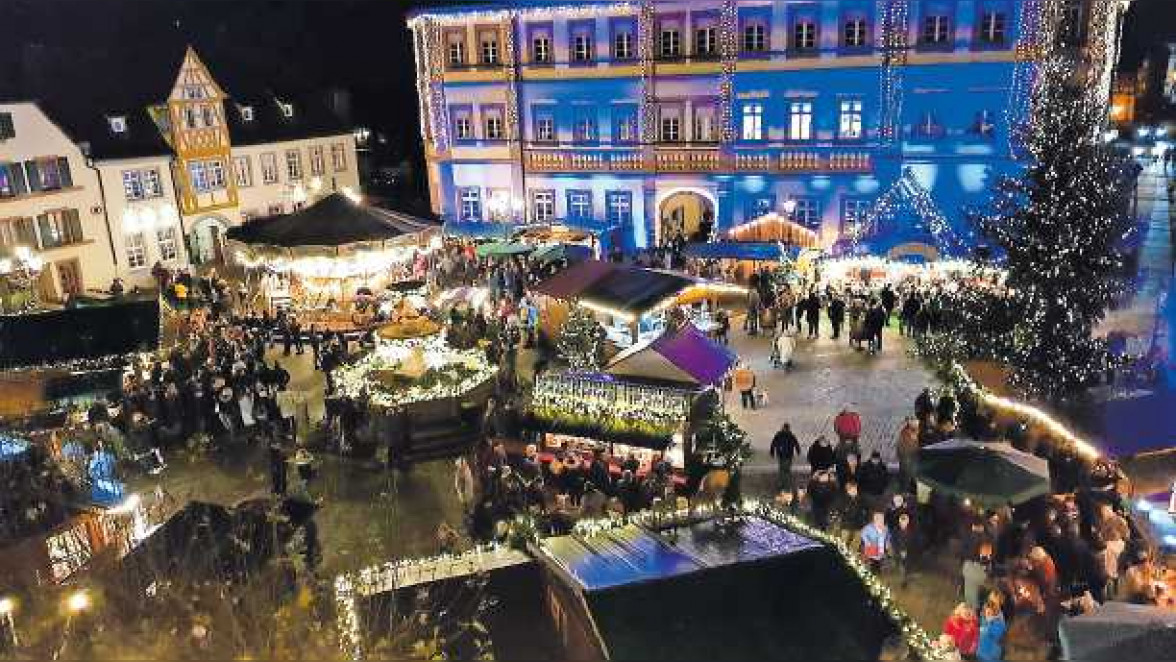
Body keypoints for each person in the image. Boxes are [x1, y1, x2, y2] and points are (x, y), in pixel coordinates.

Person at [769, 423, 801, 490]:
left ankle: (785, 484)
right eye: (785, 428)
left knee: (784, 470)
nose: (786, 429)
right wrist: (772, 451)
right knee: (784, 470)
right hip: (784, 455)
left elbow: (773, 443)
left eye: (786, 428)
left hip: (786, 455)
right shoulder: (784, 435)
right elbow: (773, 443)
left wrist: (798, 450)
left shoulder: (787, 435)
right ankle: (784, 484)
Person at [976, 596, 1006, 662]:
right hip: (981, 654)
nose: (988, 615)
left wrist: (991, 623)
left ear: (995, 613)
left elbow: (997, 636)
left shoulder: (998, 623)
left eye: (990, 612)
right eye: (986, 612)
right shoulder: (984, 620)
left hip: (991, 656)